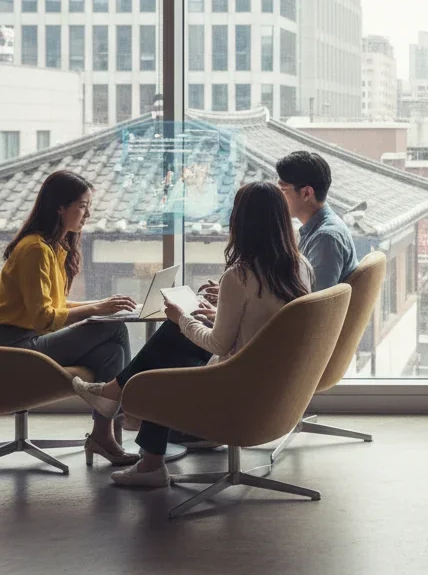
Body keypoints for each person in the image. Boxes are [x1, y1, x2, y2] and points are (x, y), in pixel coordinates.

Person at [72, 182, 313, 488]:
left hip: (241, 388)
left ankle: (129, 425)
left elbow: (218, 344)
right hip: (279, 385)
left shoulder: (240, 275)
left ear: (241, 222)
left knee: (166, 361)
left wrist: (181, 317)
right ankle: (116, 400)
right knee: (178, 337)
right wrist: (216, 314)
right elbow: (269, 323)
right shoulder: (299, 267)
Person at [0, 170, 139, 464]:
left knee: (111, 350)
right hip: (15, 347)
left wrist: (100, 303)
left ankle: (105, 435)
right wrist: (96, 310)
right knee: (114, 329)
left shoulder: (52, 249)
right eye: (83, 206)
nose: (87, 215)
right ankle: (121, 420)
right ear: (59, 207)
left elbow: (56, 304)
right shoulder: (35, 249)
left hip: (31, 338)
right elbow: (43, 318)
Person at [276, 151, 358, 290]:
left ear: (306, 193)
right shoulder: (319, 227)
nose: (278, 196)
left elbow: (316, 304)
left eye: (283, 190)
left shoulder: (325, 238)